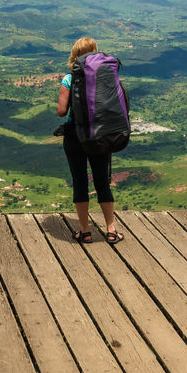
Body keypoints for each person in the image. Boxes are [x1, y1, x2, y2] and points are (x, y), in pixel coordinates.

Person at [56, 36, 123, 244]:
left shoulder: (69, 78)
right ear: (95, 51)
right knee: (103, 182)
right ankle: (111, 230)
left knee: (80, 182)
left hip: (75, 137)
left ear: (75, 55)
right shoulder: (107, 76)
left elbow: (60, 111)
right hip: (99, 136)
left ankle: (85, 231)